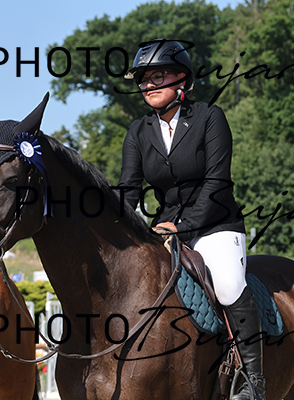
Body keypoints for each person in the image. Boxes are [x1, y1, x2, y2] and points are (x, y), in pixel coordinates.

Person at [118, 39, 265, 400]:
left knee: (228, 285)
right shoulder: (139, 130)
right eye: (144, 79)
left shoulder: (209, 117)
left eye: (157, 77)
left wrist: (182, 227)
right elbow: (128, 191)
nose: (148, 85)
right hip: (164, 229)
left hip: (216, 224)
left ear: (182, 79)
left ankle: (252, 381)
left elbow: (217, 183)